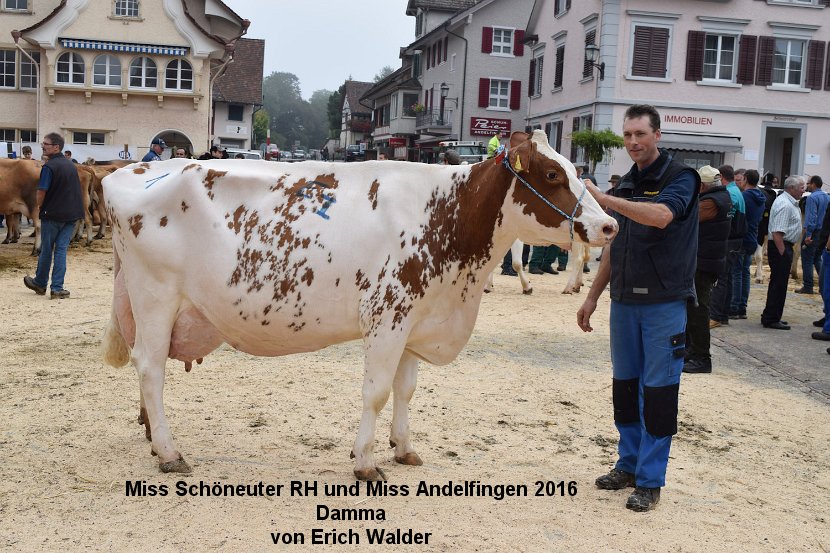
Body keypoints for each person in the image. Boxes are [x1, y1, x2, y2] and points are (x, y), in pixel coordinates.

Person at [577, 104, 699, 512]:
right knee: (625, 389)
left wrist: (604, 199)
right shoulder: (628, 181)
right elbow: (618, 243)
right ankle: (627, 464)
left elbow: (662, 216)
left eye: (640, 135)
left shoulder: (681, 177)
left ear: (657, 135)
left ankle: (650, 480)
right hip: (624, 302)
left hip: (664, 304)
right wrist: (593, 296)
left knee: (659, 392)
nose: (632, 142)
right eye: (627, 135)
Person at [23, 132, 85, 300]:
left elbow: (41, 191)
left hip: (53, 215)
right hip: (71, 216)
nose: (42, 146)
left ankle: (40, 283)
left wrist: (40, 207)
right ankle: (57, 288)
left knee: (46, 250)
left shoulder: (49, 167)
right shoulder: (71, 165)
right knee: (61, 251)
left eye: (46, 144)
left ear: (56, 147)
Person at [684, 166, 732, 374]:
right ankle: (690, 350)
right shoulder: (723, 197)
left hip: (704, 261)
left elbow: (685, 220)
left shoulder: (711, 202)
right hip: (709, 259)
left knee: (698, 309)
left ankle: (701, 357)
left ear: (701, 185)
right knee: (692, 306)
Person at [760, 176, 806, 330]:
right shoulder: (785, 204)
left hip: (783, 246)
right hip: (781, 246)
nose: (803, 190)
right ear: (791, 188)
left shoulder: (789, 202)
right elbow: (778, 233)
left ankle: (773, 315)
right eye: (801, 187)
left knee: (779, 283)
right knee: (778, 284)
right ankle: (771, 318)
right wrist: (783, 253)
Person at [708, 165, 746, 328]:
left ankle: (715, 316)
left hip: (730, 240)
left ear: (721, 177)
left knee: (720, 279)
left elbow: (726, 215)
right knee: (728, 278)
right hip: (736, 240)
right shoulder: (736, 190)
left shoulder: (730, 193)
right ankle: (723, 315)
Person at [730, 169, 766, 319]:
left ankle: (734, 307)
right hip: (753, 237)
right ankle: (743, 307)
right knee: (745, 273)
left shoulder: (744, 196)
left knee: (737, 273)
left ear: (745, 179)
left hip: (742, 237)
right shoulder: (761, 197)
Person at [795, 175, 828, 295]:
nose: (807, 186)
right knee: (817, 258)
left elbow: (811, 217)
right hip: (823, 232)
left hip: (813, 232)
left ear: (813, 184)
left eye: (808, 184)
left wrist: (808, 235)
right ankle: (823, 285)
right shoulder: (826, 197)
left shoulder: (812, 198)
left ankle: (808, 286)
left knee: (807, 259)